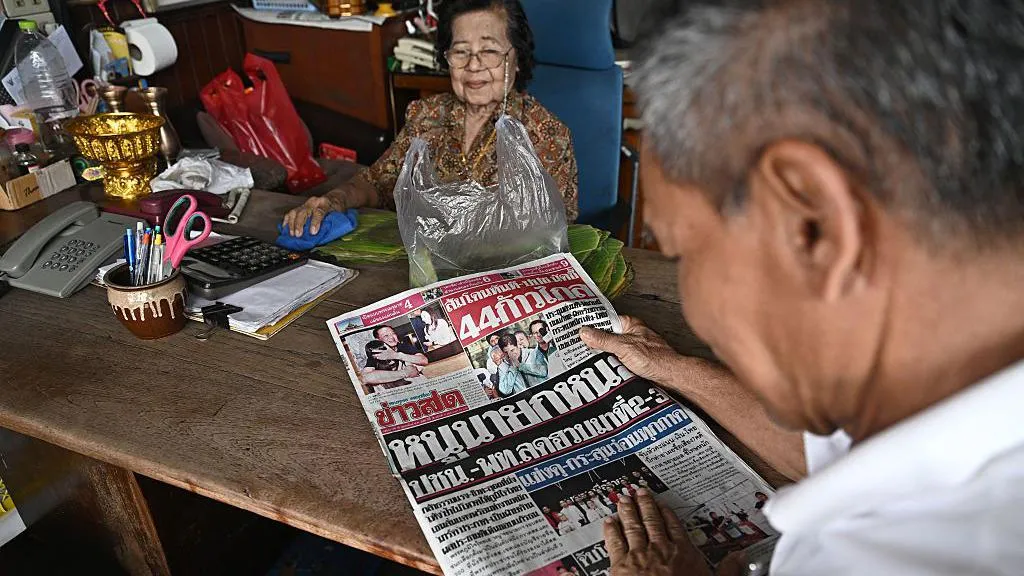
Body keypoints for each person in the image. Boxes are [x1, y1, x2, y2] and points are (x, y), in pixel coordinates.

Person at [577, 1, 1024, 575]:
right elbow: (827, 453)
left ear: (812, 224)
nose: (690, 292)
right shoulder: (927, 374)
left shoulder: (898, 558)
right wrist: (668, 365)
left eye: (681, 251)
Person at [282, 0, 579, 237]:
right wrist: (335, 199)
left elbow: (549, 233)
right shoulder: (427, 115)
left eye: (489, 51)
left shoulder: (546, 133)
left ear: (516, 59)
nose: (473, 65)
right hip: (425, 267)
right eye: (461, 51)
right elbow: (378, 182)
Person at [360, 325, 428, 390]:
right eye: (386, 335)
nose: (391, 337)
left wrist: (396, 355)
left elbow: (424, 360)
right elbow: (365, 378)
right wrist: (405, 373)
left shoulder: (403, 346)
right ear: (378, 339)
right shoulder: (377, 354)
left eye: (393, 333)